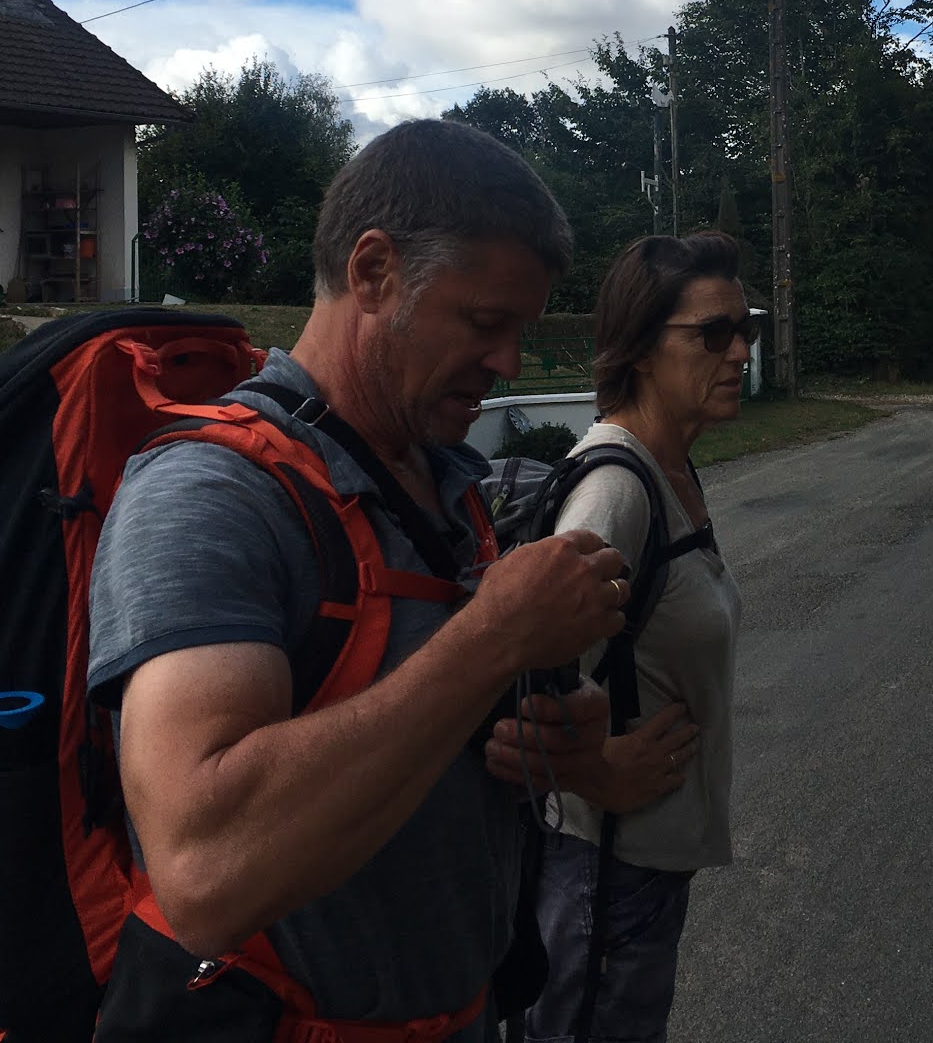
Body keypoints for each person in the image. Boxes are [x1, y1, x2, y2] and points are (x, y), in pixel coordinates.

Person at [87, 119, 633, 1042]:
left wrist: (540, 738)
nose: (509, 363)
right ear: (374, 271)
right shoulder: (211, 493)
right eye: (486, 324)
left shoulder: (439, 482)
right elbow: (203, 873)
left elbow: (413, 722)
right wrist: (493, 638)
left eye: (522, 330)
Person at [497, 233, 751, 1043]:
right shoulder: (615, 490)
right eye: (713, 334)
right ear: (641, 348)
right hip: (603, 873)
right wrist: (592, 771)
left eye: (745, 328)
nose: (740, 352)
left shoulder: (671, 469)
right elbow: (508, 683)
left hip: (644, 866)